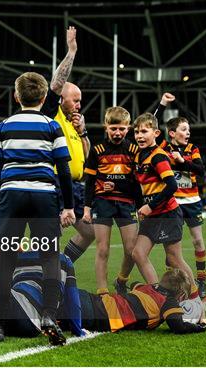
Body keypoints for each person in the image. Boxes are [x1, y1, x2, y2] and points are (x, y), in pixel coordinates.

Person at [0, 71, 76, 345]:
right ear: (43, 97)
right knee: (49, 256)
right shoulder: (52, 126)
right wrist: (69, 206)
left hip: (11, 196)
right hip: (43, 197)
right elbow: (63, 168)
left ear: (17, 96)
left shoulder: (2, 127)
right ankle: (49, 315)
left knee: (6, 259)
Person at [41, 26, 95, 263]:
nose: (79, 105)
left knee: (90, 233)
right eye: (76, 100)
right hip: (54, 182)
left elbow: (88, 157)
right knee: (50, 235)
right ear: (62, 99)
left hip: (75, 185)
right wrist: (71, 51)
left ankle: (62, 265)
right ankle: (39, 275)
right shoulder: (52, 114)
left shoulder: (75, 123)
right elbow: (56, 83)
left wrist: (82, 132)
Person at [132, 113, 199, 299]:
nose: (139, 136)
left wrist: (149, 207)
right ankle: (158, 296)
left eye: (144, 131)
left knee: (174, 258)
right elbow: (141, 187)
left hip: (167, 214)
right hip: (152, 215)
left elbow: (172, 185)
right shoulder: (139, 156)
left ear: (155, 133)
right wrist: (141, 207)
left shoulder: (158, 156)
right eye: (136, 132)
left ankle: (194, 298)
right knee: (138, 253)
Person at [154, 93, 206, 297]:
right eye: (184, 129)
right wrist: (162, 104)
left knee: (197, 242)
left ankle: (201, 281)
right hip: (172, 202)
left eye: (189, 130)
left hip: (192, 201)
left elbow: (201, 170)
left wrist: (182, 162)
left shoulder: (192, 149)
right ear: (172, 133)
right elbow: (152, 124)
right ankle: (175, 283)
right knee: (172, 248)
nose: (188, 133)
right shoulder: (163, 147)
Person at [82, 107, 140, 295]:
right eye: (113, 128)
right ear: (105, 126)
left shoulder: (133, 149)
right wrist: (86, 208)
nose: (117, 133)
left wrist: (141, 207)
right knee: (102, 249)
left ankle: (121, 280)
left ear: (128, 128)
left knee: (132, 250)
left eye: (121, 129)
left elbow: (138, 182)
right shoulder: (97, 150)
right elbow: (90, 182)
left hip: (127, 203)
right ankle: (102, 292)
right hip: (102, 203)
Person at [79, 267, 206, 334]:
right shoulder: (169, 302)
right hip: (98, 315)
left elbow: (135, 283)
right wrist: (200, 326)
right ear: (180, 293)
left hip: (91, 299)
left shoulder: (146, 287)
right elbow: (179, 326)